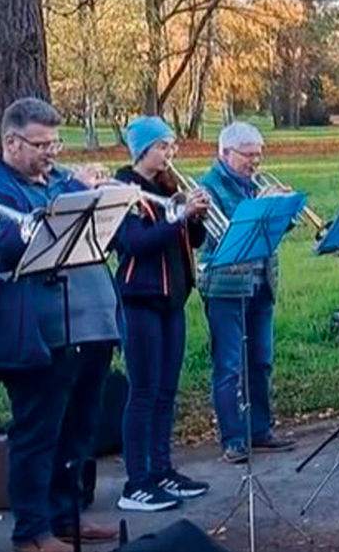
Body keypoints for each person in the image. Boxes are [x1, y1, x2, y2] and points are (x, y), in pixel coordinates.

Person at [0, 97, 120, 552]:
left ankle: (66, 514)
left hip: (90, 324)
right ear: (12, 142)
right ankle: (31, 532)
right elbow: (1, 241)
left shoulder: (61, 181)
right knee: (38, 433)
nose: (52, 152)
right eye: (41, 144)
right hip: (35, 331)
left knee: (80, 429)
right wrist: (53, 214)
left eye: (56, 142)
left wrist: (95, 199)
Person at [114, 116, 211, 511]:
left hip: (173, 299)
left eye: (172, 146)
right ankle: (136, 481)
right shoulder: (124, 189)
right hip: (140, 299)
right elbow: (134, 243)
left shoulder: (169, 187)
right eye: (163, 147)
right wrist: (178, 218)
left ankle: (162, 469)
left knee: (167, 391)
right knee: (144, 391)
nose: (170, 154)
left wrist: (197, 218)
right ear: (142, 150)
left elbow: (193, 240)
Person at [198, 121, 295, 464]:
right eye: (248, 156)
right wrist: (259, 209)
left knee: (261, 360)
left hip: (261, 282)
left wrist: (281, 210)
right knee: (229, 365)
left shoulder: (254, 184)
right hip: (225, 286)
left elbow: (275, 232)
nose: (255, 163)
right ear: (224, 153)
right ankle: (232, 438)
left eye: (259, 155)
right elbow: (219, 237)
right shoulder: (207, 187)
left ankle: (260, 430)